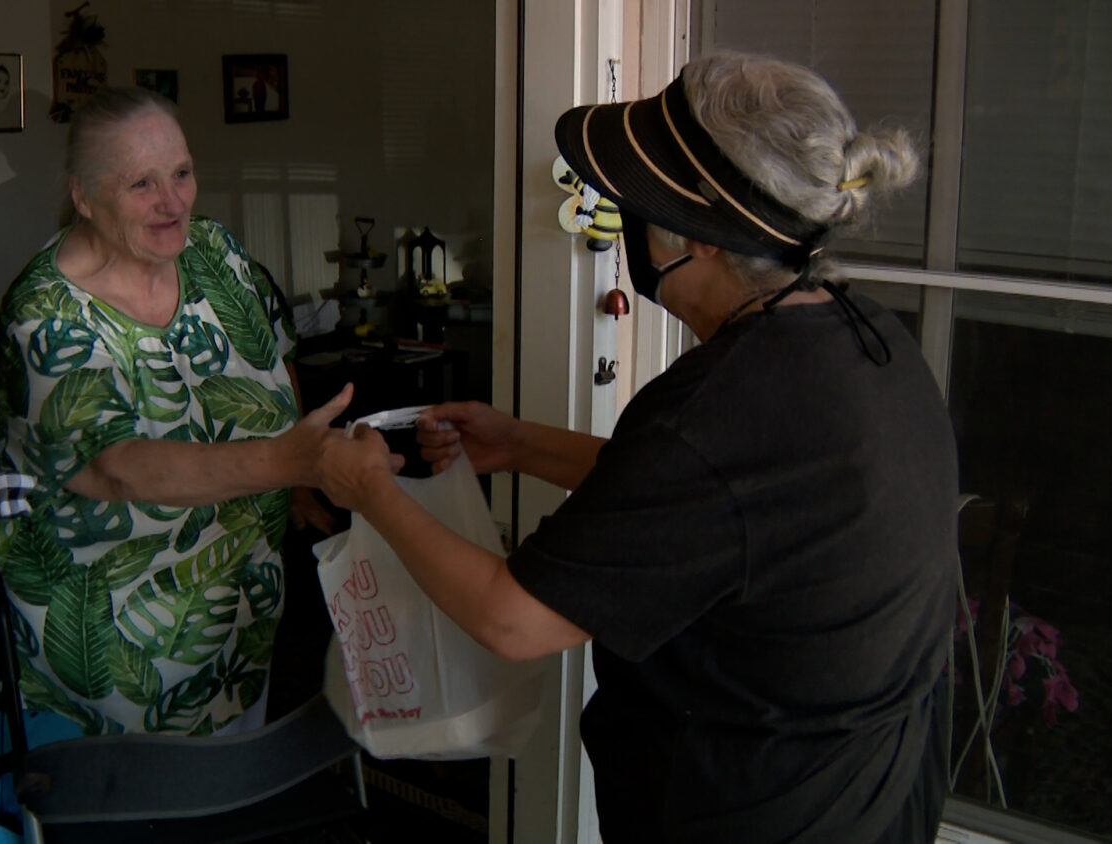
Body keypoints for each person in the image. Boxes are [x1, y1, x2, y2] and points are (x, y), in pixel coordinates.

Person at [313, 51, 958, 842]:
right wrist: (518, 446)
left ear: (702, 233)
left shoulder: (718, 410)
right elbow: (724, 516)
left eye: (637, 208)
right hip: (872, 799)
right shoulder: (867, 342)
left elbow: (513, 620)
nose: (627, 228)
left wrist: (368, 489)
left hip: (757, 813)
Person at [0, 86, 347, 737]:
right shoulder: (45, 314)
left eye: (181, 173)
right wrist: (282, 459)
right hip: (118, 655)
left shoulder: (216, 253)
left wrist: (291, 477)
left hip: (240, 613)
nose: (172, 201)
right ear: (85, 197)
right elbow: (116, 469)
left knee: (231, 797)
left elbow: (273, 352)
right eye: (142, 184)